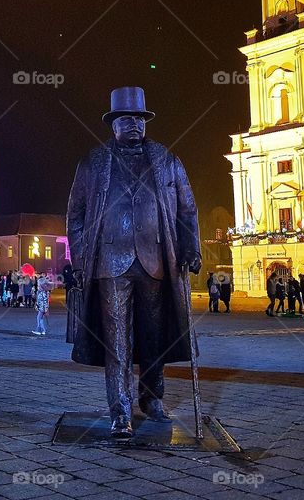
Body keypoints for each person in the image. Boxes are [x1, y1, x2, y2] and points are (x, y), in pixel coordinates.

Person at [66, 86, 202, 439]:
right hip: (110, 264)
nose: (134, 125)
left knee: (153, 337)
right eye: (126, 118)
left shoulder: (167, 160)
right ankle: (120, 410)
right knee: (118, 343)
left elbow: (187, 209)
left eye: (140, 119)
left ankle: (152, 398)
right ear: (112, 123)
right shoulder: (92, 162)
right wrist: (80, 261)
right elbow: (75, 216)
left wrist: (191, 249)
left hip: (156, 261)